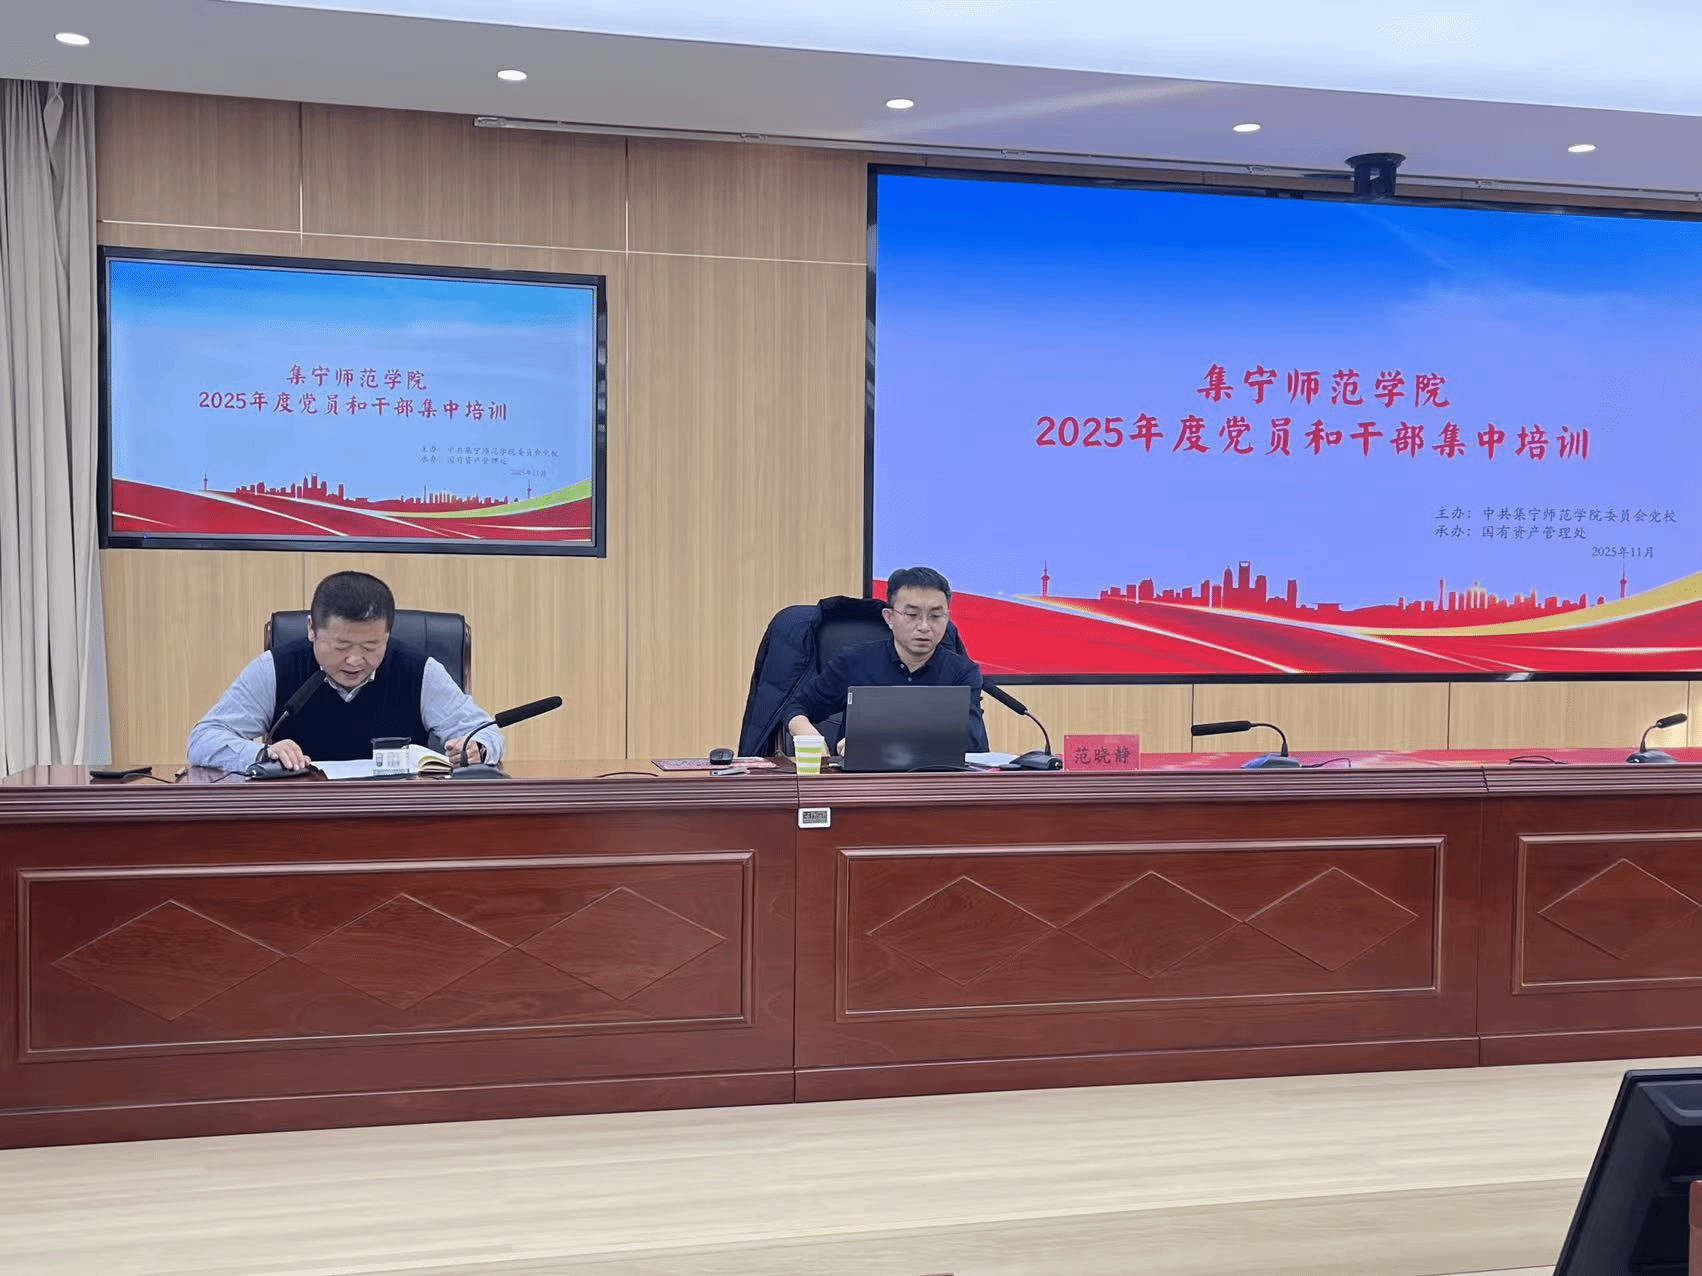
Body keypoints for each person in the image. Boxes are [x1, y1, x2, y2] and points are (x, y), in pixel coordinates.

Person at [187, 571, 505, 773]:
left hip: (399, 816)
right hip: (300, 819)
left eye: (371, 646)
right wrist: (261, 753)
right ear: (312, 629)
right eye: (341, 645)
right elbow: (203, 739)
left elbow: (484, 732)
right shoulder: (275, 668)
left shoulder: (419, 671)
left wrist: (478, 748)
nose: (355, 660)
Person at [784, 565, 988, 753]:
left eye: (935, 616)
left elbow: (973, 741)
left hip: (934, 778)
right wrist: (808, 736)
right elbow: (797, 707)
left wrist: (877, 743)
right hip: (862, 778)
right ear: (889, 618)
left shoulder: (961, 672)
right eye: (912, 614)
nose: (924, 626)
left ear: (947, 618)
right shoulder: (855, 662)